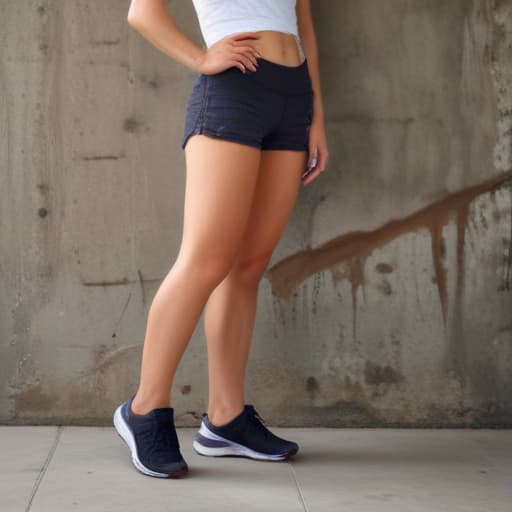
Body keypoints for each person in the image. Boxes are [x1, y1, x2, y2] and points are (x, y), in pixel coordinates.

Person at [113, 0, 329, 478]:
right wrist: (200, 58)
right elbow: (141, 12)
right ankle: (144, 409)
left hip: (292, 94)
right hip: (234, 91)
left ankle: (226, 420)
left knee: (248, 267)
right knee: (205, 261)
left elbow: (303, 19)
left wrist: (315, 113)